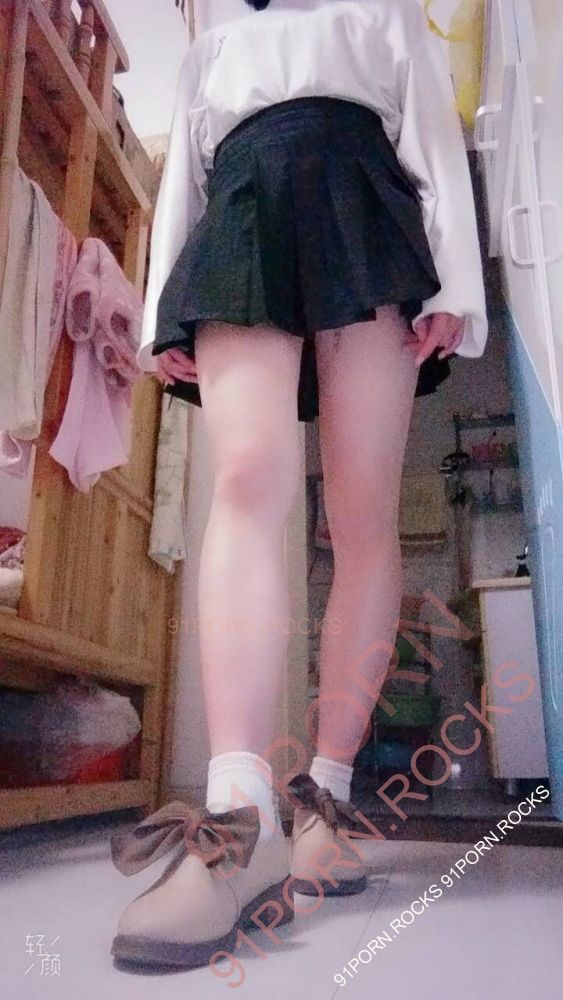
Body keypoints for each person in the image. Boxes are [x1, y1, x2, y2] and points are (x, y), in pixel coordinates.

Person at [110, 0, 488, 970]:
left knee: (361, 515)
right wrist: (162, 313)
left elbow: (429, 140)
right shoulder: (212, 43)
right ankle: (236, 813)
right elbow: (184, 181)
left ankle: (324, 797)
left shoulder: (385, 13)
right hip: (242, 210)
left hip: (366, 204)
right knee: (247, 476)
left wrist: (454, 283)